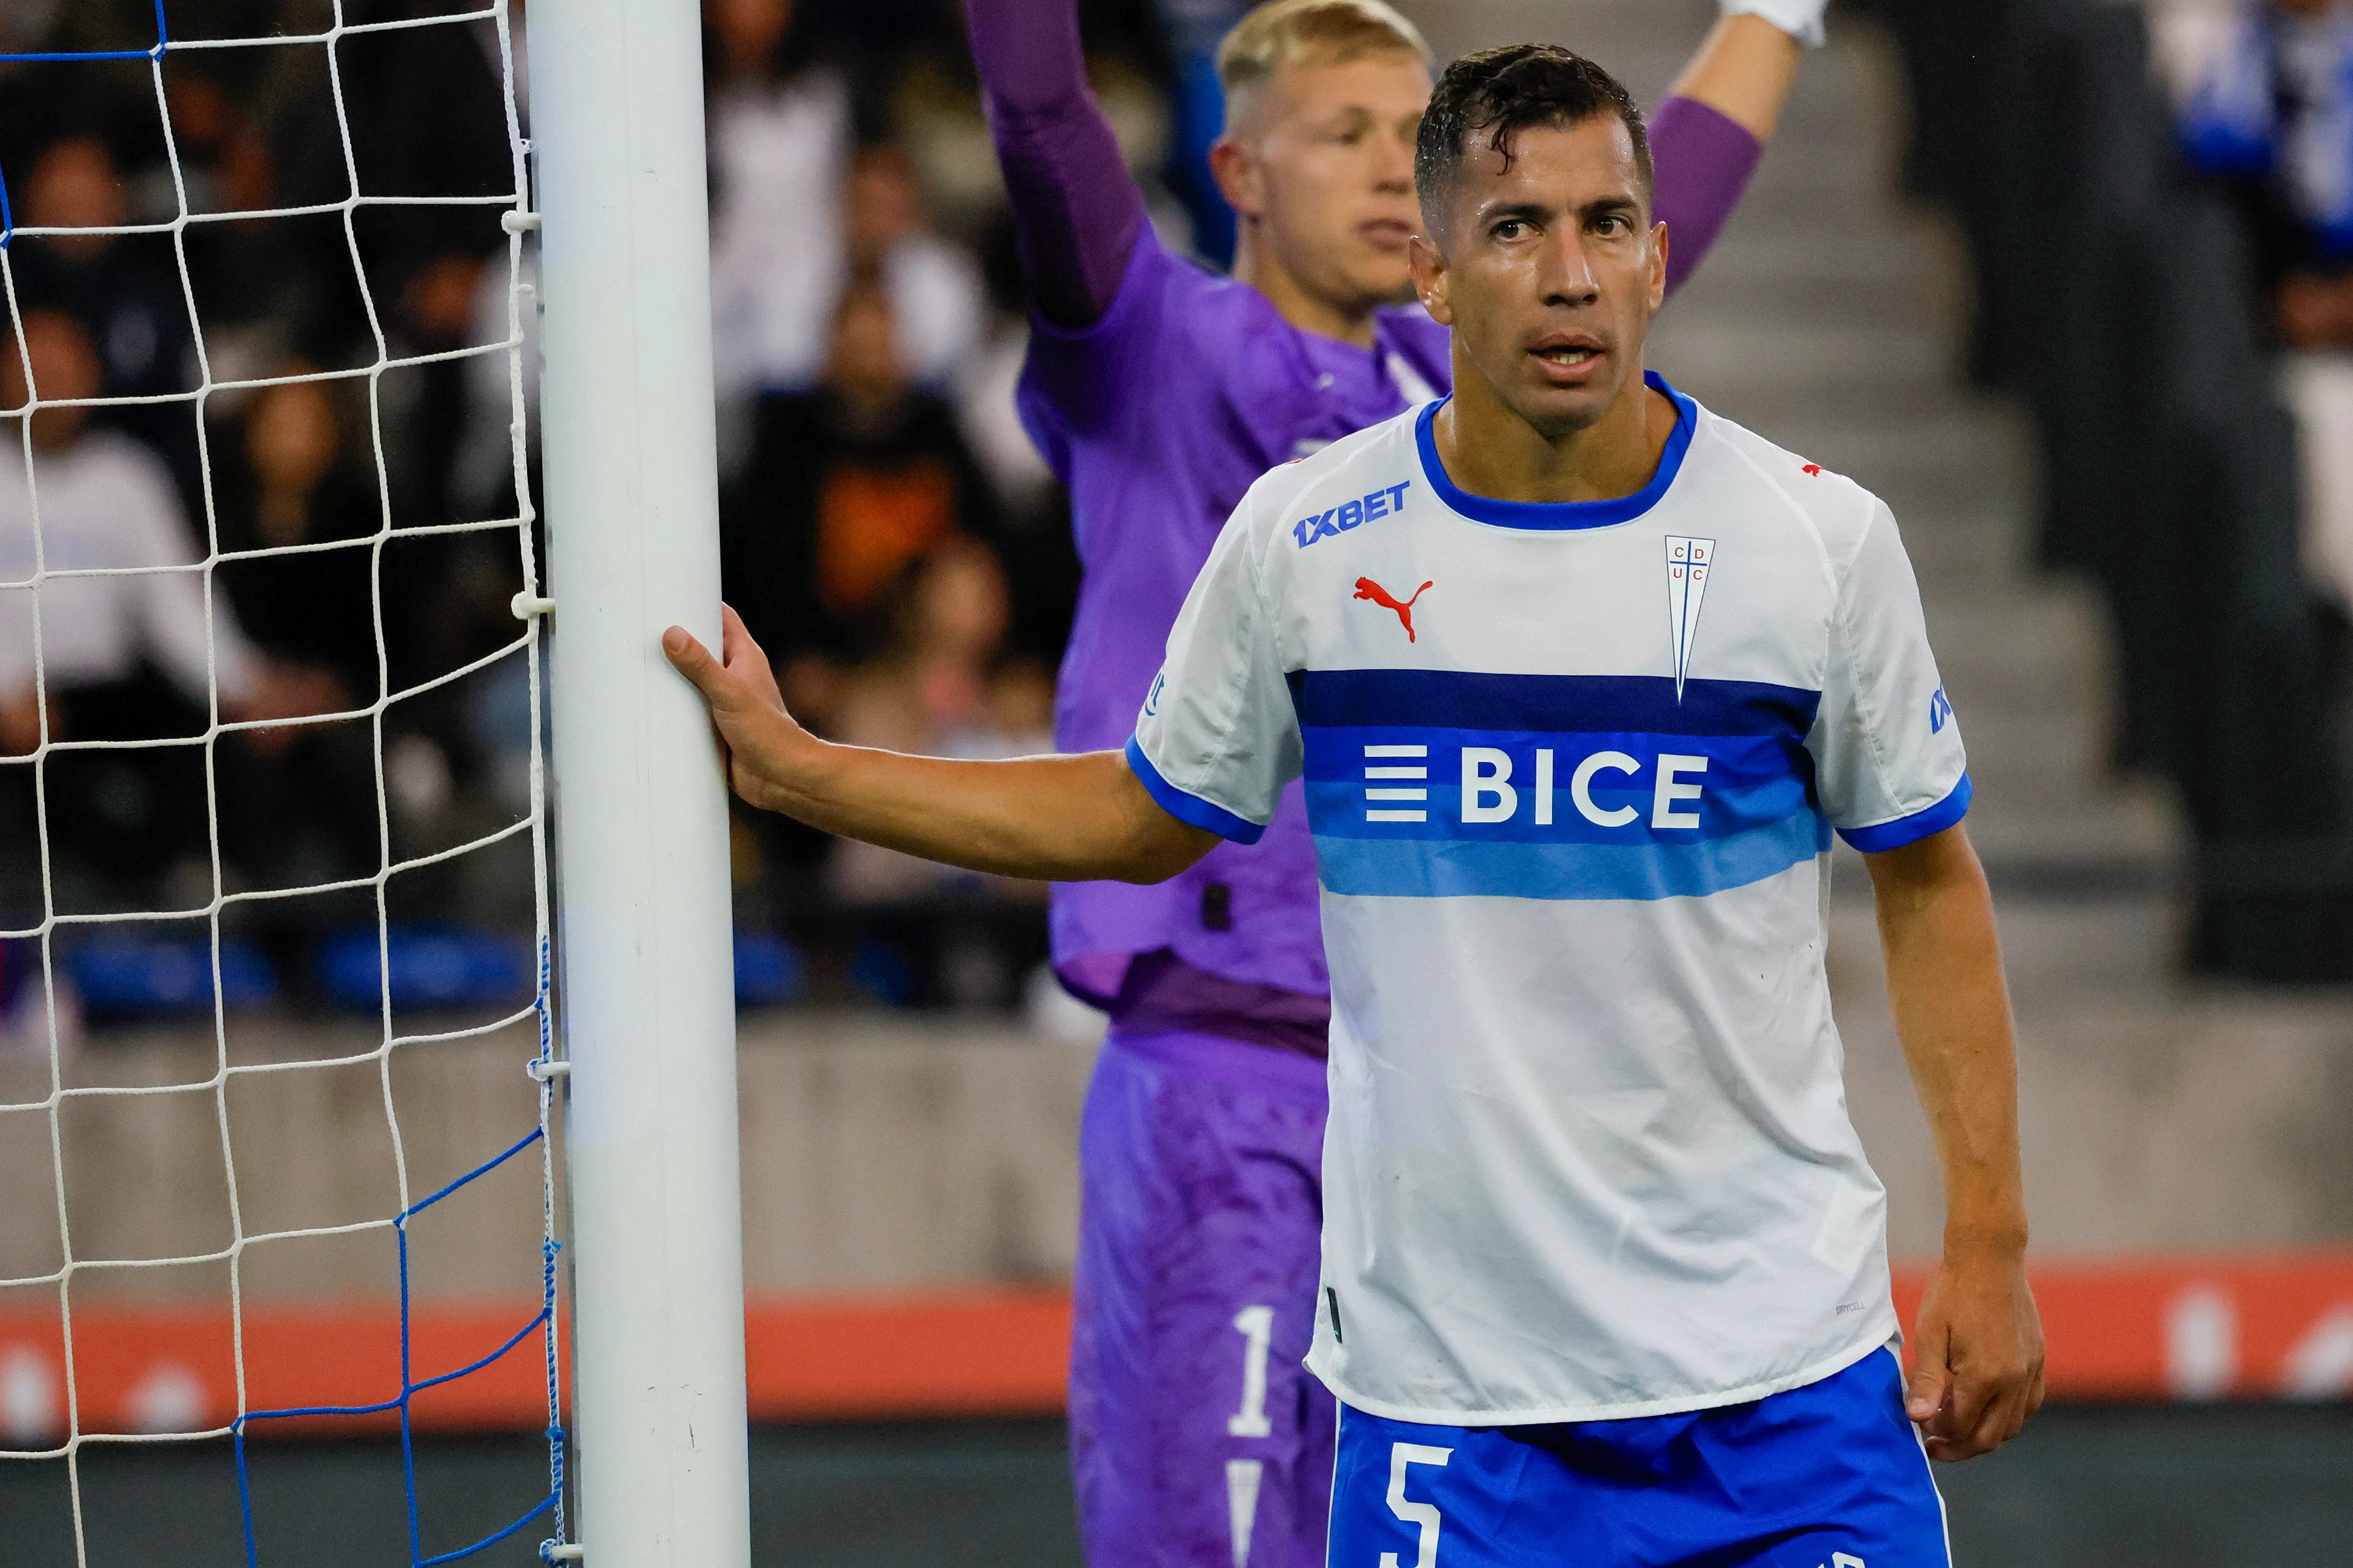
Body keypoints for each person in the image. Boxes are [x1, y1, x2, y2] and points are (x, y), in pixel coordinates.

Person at [669, 40, 2044, 1564]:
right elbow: (1138, 815)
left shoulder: (1818, 543)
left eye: (1607, 227)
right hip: (1451, 1415)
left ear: (1660, 257)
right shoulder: (1310, 541)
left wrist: (1988, 1242)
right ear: (1438, 275)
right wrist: (805, 772)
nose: (1570, 272)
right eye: (1516, 229)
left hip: (1790, 1393)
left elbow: (1930, 881)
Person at [948, 0, 1824, 1563]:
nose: (1383, 169)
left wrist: (1774, 17)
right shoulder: (1150, 346)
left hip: (1458, 1113)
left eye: (1415, 144)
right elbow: (1039, 118)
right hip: (1224, 1089)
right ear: (1240, 169)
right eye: (1344, 131)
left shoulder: (1473, 390)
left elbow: (1649, 204)